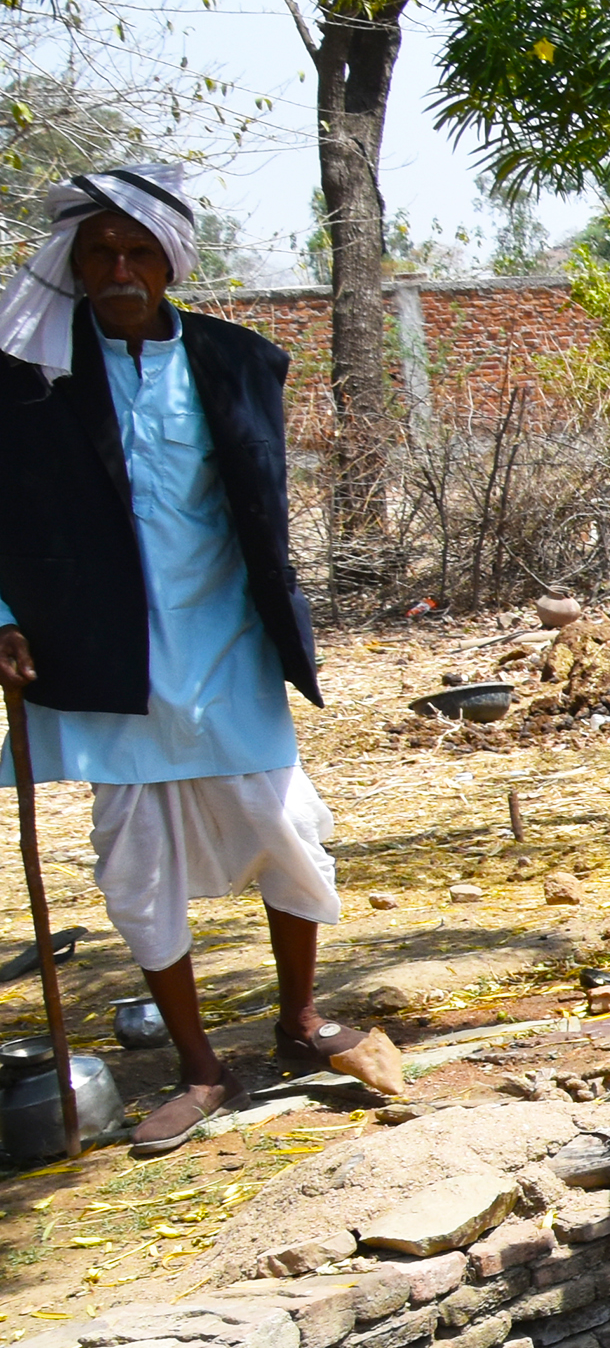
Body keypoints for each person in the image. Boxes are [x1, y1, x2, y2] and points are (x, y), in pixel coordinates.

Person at [0, 164, 398, 1155]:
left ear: (171, 262)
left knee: (285, 821)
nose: (119, 268)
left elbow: (260, 506)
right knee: (137, 860)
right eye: (101, 253)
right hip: (98, 647)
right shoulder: (30, 378)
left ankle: (302, 1024)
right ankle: (198, 1068)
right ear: (78, 266)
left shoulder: (236, 360)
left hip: (224, 637)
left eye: (138, 252)